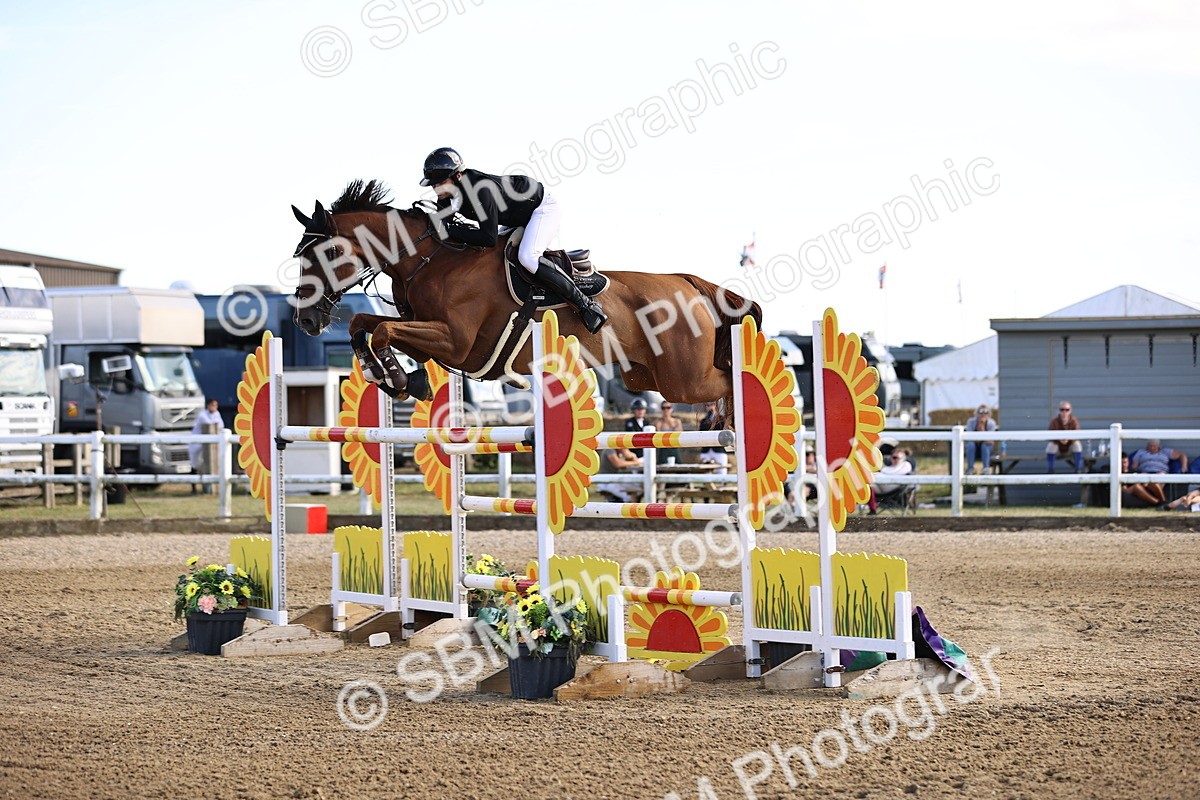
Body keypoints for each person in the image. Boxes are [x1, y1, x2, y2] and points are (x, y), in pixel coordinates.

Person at [419, 147, 606, 333]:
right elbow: (443, 232)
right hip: (515, 216)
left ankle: (586, 306)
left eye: (440, 182)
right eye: (433, 184)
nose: (436, 188)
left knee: (528, 257)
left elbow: (487, 237)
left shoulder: (478, 190)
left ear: (457, 176)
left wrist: (450, 230)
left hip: (541, 208)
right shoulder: (446, 196)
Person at [188, 398, 222, 494]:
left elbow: (220, 426)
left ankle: (209, 489)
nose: (215, 407)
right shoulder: (202, 415)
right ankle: (194, 489)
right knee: (195, 466)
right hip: (197, 445)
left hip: (209, 446)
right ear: (208, 405)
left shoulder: (217, 414)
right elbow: (210, 426)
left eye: (216, 405)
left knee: (209, 465)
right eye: (213, 405)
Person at [868, 447, 913, 514]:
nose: (894, 460)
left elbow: (895, 474)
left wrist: (879, 475)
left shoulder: (906, 465)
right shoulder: (887, 468)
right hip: (882, 486)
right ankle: (872, 509)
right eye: (893, 457)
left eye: (897, 458)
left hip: (893, 487)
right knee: (868, 487)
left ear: (903, 458)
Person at [1046, 401, 1082, 473]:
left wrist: (1068, 440)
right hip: (1058, 449)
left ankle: (1078, 469)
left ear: (1070, 411)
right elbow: (1049, 435)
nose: (1064, 412)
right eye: (1062, 410)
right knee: (1051, 446)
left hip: (1070, 449)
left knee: (1077, 444)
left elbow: (1077, 434)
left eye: (1067, 410)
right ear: (1059, 411)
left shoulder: (1074, 421)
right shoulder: (1054, 421)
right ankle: (1051, 470)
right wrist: (1059, 440)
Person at [697, 400, 729, 474]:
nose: (710, 407)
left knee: (722, 472)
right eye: (708, 405)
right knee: (706, 473)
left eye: (712, 405)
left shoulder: (721, 419)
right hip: (706, 449)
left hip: (718, 449)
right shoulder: (704, 420)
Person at [964, 405, 998, 475]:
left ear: (989, 414)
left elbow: (991, 441)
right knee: (970, 445)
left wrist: (982, 432)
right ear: (977, 413)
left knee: (985, 446)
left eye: (986, 412)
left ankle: (986, 469)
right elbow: (968, 438)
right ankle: (970, 469)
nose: (983, 414)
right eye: (981, 412)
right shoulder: (971, 422)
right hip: (973, 448)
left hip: (986, 449)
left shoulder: (991, 423)